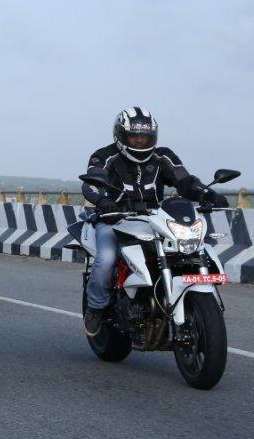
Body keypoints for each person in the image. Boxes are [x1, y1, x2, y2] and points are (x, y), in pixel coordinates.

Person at [80, 107, 227, 336]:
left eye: (145, 137)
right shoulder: (104, 156)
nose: (140, 141)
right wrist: (104, 201)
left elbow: (185, 181)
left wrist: (207, 194)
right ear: (120, 135)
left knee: (188, 248)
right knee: (107, 258)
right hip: (114, 219)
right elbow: (91, 184)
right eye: (134, 137)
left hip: (154, 218)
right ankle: (96, 308)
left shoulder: (163, 156)